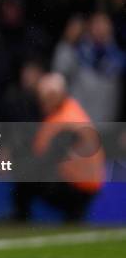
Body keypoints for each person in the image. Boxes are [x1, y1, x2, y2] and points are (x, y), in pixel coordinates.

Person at [13, 73, 105, 221]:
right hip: (85, 186)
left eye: (50, 96)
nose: (45, 101)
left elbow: (47, 159)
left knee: (26, 174)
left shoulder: (66, 121)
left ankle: (20, 217)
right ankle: (73, 216)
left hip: (77, 187)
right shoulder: (71, 111)